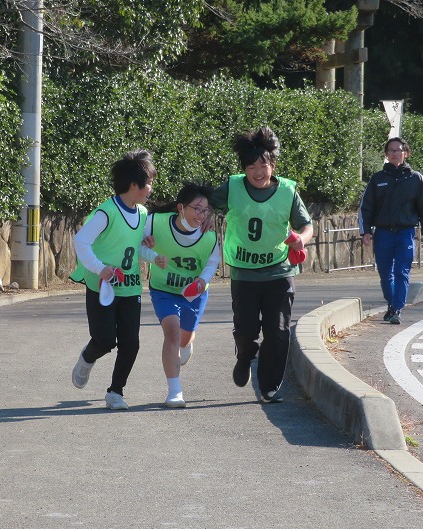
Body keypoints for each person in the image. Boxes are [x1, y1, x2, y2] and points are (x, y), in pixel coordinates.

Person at [209, 126, 313, 403]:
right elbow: (204, 205)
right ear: (243, 168)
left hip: (280, 270)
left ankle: (270, 386)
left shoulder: (288, 191)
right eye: (251, 166)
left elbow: (307, 226)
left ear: (273, 165)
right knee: (246, 331)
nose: (257, 172)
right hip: (244, 273)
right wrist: (202, 216)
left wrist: (301, 240)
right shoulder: (232, 187)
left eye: (263, 165)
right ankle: (245, 356)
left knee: (278, 331)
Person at [69, 149, 167, 410]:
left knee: (130, 343)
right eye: (149, 183)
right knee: (103, 341)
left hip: (130, 287)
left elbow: (135, 247)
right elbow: (81, 241)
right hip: (102, 287)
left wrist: (152, 254)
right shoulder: (107, 212)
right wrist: (100, 268)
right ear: (134, 185)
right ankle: (86, 358)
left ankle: (115, 392)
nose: (151, 189)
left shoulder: (143, 213)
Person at [146, 182, 220, 408]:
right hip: (163, 290)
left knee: (184, 338)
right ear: (181, 207)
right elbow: (136, 242)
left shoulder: (208, 236)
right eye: (196, 209)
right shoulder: (154, 222)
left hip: (194, 293)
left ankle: (187, 343)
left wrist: (202, 281)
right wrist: (148, 250)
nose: (201, 215)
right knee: (172, 333)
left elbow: (212, 262)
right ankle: (174, 390)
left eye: (205, 210)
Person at [359, 137, 423, 325]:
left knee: (402, 271)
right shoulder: (377, 179)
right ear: (386, 154)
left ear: (405, 153)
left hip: (405, 233)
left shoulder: (415, 178)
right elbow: (366, 207)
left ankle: (397, 308)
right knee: (385, 274)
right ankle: (392, 303)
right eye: (391, 150)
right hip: (383, 233)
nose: (395, 153)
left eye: (399, 150)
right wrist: (365, 231)